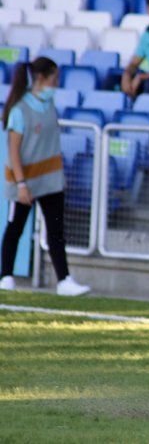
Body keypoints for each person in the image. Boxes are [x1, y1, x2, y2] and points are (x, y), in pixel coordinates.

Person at [0, 58, 91, 297]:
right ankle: (5, 275)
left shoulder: (49, 105)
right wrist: (21, 184)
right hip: (25, 181)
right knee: (15, 227)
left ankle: (64, 280)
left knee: (56, 230)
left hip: (50, 180)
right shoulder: (20, 110)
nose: (57, 83)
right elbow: (13, 151)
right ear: (41, 78)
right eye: (54, 78)